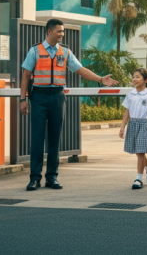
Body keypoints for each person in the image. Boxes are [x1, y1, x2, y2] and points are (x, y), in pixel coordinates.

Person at [20, 19, 118, 191]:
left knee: (54, 140)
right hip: (39, 97)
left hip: (57, 97)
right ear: (49, 32)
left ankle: (52, 177)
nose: (62, 34)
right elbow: (26, 76)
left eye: (63, 31)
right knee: (37, 139)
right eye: (59, 31)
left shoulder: (65, 51)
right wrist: (23, 99)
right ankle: (34, 178)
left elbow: (80, 70)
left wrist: (100, 79)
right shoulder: (35, 50)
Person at [119, 68, 147, 189]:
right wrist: (122, 127)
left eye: (138, 77)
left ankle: (138, 178)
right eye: (133, 77)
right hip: (132, 124)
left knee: (141, 152)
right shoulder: (130, 94)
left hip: (145, 124)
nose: (134, 79)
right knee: (138, 152)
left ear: (146, 80)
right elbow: (127, 112)